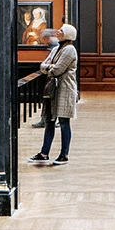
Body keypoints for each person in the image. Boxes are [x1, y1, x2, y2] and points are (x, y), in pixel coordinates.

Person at [30, 24, 79, 165]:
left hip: (65, 89)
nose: (58, 32)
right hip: (53, 90)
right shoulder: (57, 48)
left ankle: (64, 155)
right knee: (49, 122)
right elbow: (43, 66)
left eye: (61, 30)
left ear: (68, 34)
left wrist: (50, 67)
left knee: (64, 122)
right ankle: (44, 153)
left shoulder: (69, 50)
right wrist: (49, 67)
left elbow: (57, 70)